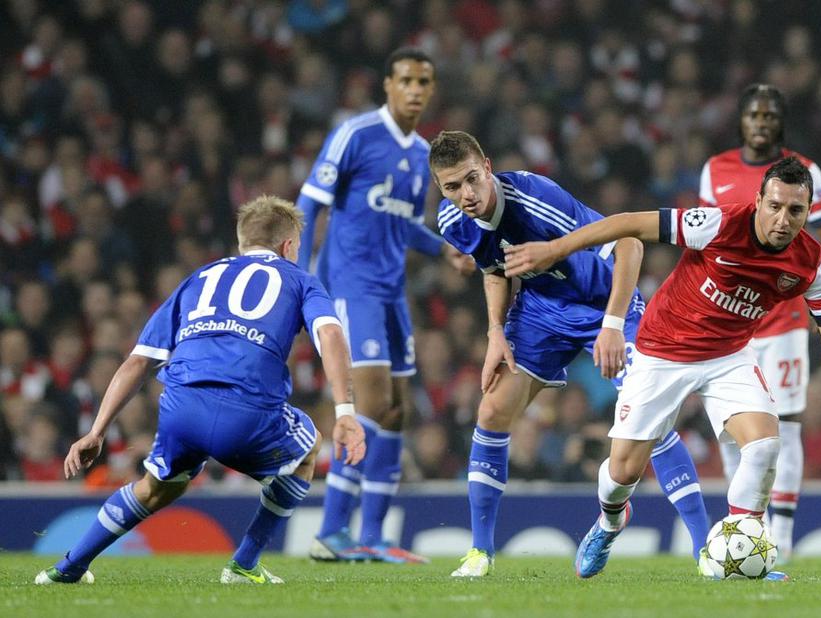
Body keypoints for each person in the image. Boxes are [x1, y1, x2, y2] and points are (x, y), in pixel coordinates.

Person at [503, 156, 821, 580]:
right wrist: (555, 249)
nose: (782, 220)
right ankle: (611, 521)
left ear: (808, 211)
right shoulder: (718, 224)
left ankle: (740, 557)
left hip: (729, 356)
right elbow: (629, 223)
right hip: (662, 350)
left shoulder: (811, 261)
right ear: (758, 201)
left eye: (795, 210)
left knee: (764, 445)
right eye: (775, 206)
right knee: (622, 473)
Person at [35, 196, 366, 585]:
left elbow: (138, 361)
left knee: (154, 489)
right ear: (288, 246)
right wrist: (345, 412)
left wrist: (96, 431)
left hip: (181, 407)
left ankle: (67, 568)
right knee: (309, 448)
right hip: (247, 412)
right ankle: (244, 565)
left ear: (242, 241)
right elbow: (330, 334)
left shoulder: (200, 278)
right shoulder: (301, 280)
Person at [428, 130, 711, 577]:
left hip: (605, 302)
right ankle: (480, 552)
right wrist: (495, 331)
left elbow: (630, 245)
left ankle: (704, 550)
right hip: (541, 311)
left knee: (649, 418)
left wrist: (613, 324)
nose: (466, 194)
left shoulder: (536, 199)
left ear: (487, 166)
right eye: (452, 186)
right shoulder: (453, 220)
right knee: (493, 410)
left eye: (471, 179)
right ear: (440, 188)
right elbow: (494, 268)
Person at [297, 47, 472, 564]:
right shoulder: (355, 134)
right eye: (406, 80)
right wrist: (298, 277)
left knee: (395, 411)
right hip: (352, 288)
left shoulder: (421, 154)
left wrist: (443, 249)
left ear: (432, 89)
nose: (415, 89)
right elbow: (310, 201)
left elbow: (405, 225)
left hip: (392, 293)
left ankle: (372, 535)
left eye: (424, 81)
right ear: (388, 85)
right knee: (370, 403)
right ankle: (331, 530)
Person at [700, 83, 821, 561]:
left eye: (769, 115)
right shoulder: (714, 170)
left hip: (782, 319)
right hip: (727, 320)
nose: (761, 123)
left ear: (781, 121)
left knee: (787, 422)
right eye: (753, 114)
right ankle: (741, 524)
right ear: (741, 120)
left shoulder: (804, 171)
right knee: (729, 424)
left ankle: (780, 534)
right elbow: (706, 238)